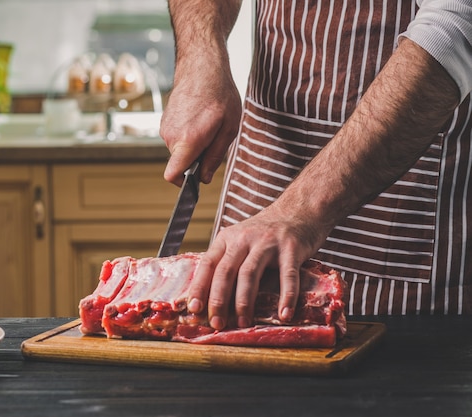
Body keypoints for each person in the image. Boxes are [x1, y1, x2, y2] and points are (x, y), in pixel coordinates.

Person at [160, 0, 472, 331]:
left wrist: (300, 210)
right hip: (263, 173)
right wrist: (199, 56)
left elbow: (455, 24)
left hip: (404, 220)